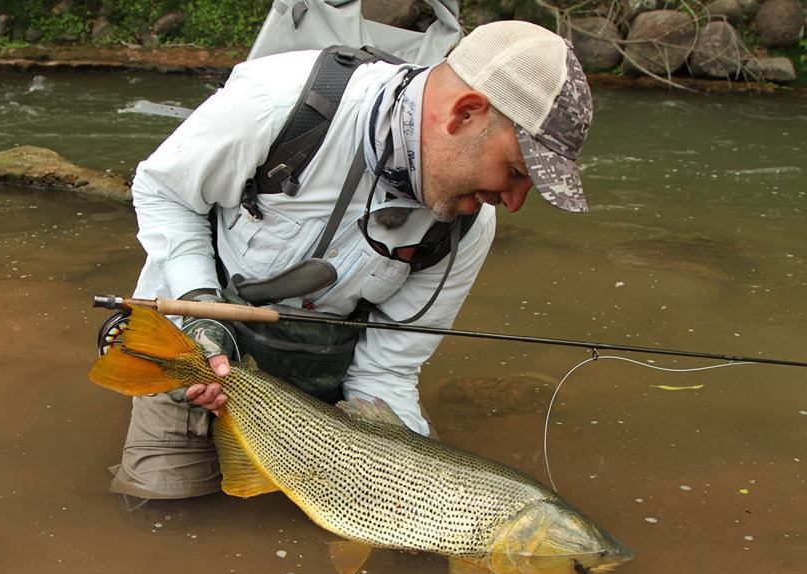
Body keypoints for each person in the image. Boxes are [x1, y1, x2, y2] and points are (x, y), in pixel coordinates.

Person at [107, 20, 593, 500]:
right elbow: (165, 193)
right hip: (189, 349)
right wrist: (198, 310)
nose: (512, 203)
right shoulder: (278, 103)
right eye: (514, 172)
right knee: (162, 512)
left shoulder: (467, 226)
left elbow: (386, 371)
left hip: (316, 394)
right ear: (464, 113)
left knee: (390, 525)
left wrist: (419, 484)